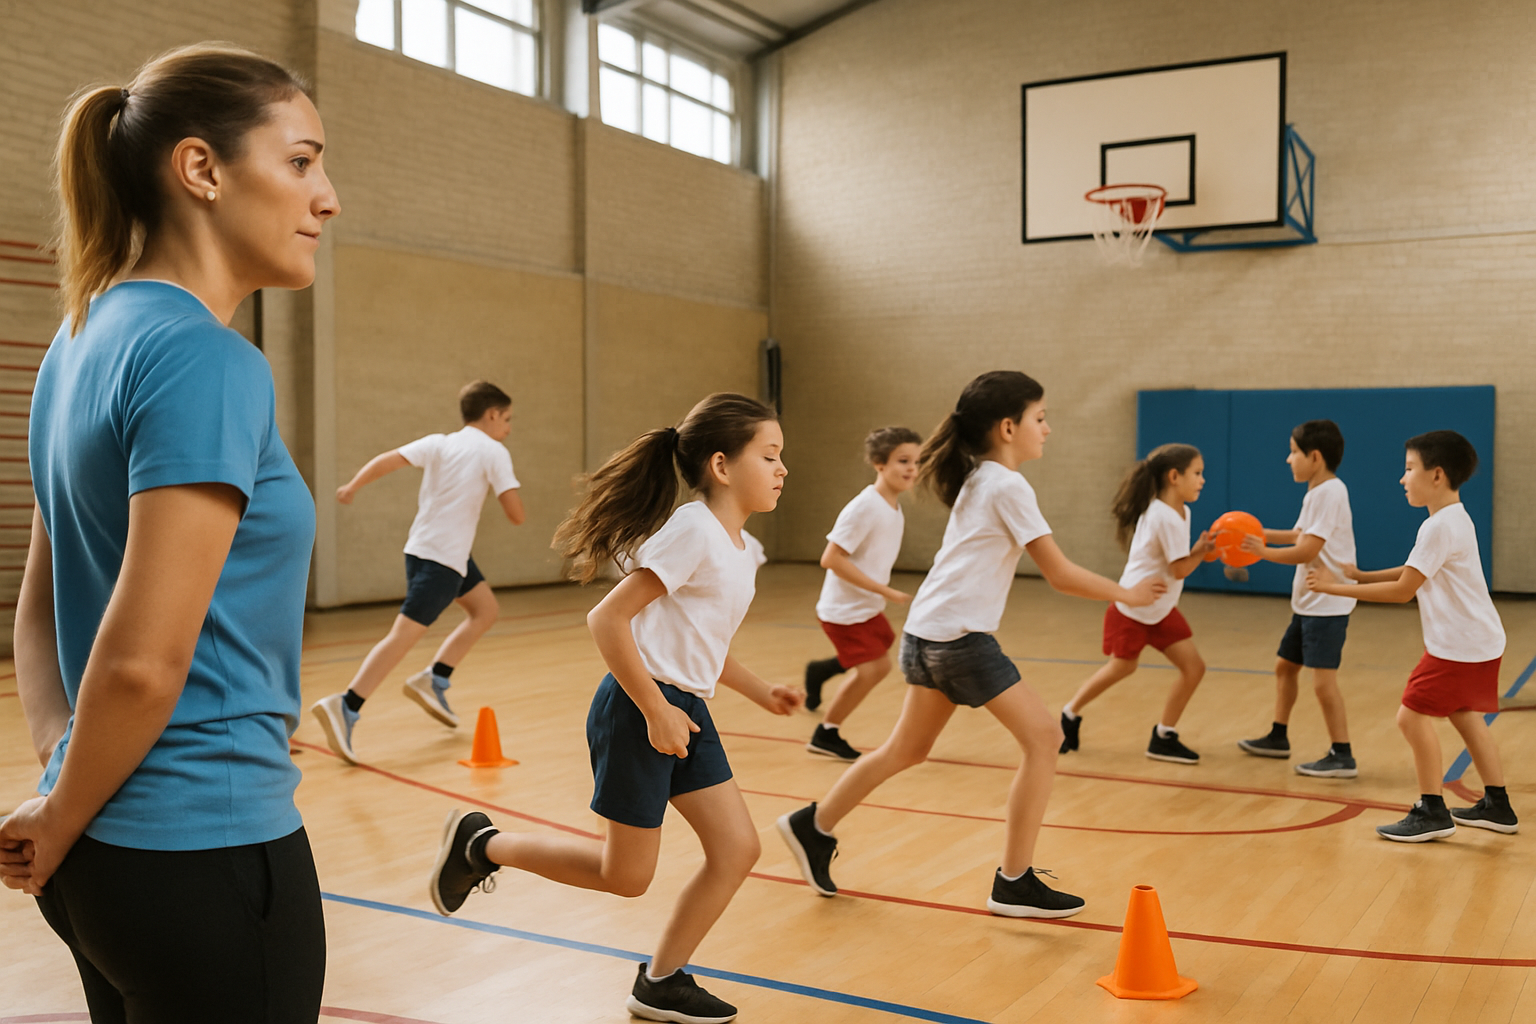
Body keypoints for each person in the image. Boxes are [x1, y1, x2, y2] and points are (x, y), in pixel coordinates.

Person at [0, 44, 336, 1021]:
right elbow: (145, 663)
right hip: (207, 859)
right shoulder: (205, 358)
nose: (328, 198)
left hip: (106, 862)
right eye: (302, 161)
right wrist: (61, 813)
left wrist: (65, 782)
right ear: (202, 170)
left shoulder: (79, 336)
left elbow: (36, 606)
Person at [427, 393, 801, 1024]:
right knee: (625, 876)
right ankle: (482, 845)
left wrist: (760, 691)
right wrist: (655, 709)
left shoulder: (741, 549)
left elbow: (701, 645)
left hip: (682, 711)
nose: (782, 468)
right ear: (721, 465)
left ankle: (661, 981)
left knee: (737, 850)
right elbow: (608, 619)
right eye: (770, 455)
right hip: (638, 710)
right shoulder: (694, 530)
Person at [776, 371, 1164, 918]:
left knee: (904, 750)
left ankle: (811, 825)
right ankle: (1014, 880)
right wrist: (1128, 593)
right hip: (958, 639)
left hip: (926, 634)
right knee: (1045, 740)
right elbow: (1057, 573)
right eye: (1041, 417)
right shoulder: (1007, 485)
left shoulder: (981, 478)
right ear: (1008, 427)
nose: (1048, 429)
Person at [1308, 430, 1517, 842]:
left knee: (1410, 716)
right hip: (1480, 641)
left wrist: (1334, 587)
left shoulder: (1438, 527)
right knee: (1463, 714)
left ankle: (1432, 810)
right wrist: (1364, 576)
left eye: (1409, 469)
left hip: (1457, 646)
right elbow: (1414, 571)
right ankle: (1497, 804)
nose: (1402, 479)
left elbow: (1404, 589)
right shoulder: (1454, 518)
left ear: (1436, 475)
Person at [311, 380, 524, 764]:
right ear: (492, 415)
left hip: (427, 551)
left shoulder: (440, 442)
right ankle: (346, 704)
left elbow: (386, 460)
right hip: (442, 560)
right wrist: (512, 501)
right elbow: (515, 513)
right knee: (402, 636)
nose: (508, 428)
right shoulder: (494, 451)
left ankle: (434, 678)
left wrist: (353, 486)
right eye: (507, 419)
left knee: (485, 610)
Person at [1059, 444, 1213, 763]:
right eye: (1197, 473)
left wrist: (1199, 550)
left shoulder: (1180, 511)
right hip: (1132, 609)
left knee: (1194, 668)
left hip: (1159, 608)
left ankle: (1163, 736)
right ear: (1174, 476)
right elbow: (1180, 568)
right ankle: (1069, 714)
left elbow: (1179, 563)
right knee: (1123, 667)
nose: (1202, 480)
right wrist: (1203, 551)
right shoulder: (1164, 517)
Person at [1237, 420, 1359, 777]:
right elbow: (1297, 533)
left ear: (1315, 457)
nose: (1288, 459)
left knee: (1323, 682)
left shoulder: (1331, 493)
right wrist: (1251, 532)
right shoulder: (1316, 492)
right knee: (1285, 667)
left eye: (1293, 452)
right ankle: (1278, 736)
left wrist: (1261, 551)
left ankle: (1342, 754)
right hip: (1309, 603)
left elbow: (1306, 548)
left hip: (1328, 605)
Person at [801, 425, 922, 760]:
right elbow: (831, 558)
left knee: (882, 645)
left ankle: (822, 671)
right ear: (879, 463)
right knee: (874, 668)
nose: (912, 468)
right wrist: (885, 590)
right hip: (844, 610)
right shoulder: (864, 507)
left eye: (916, 461)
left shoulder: (892, 506)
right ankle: (826, 733)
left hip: (866, 606)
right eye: (903, 460)